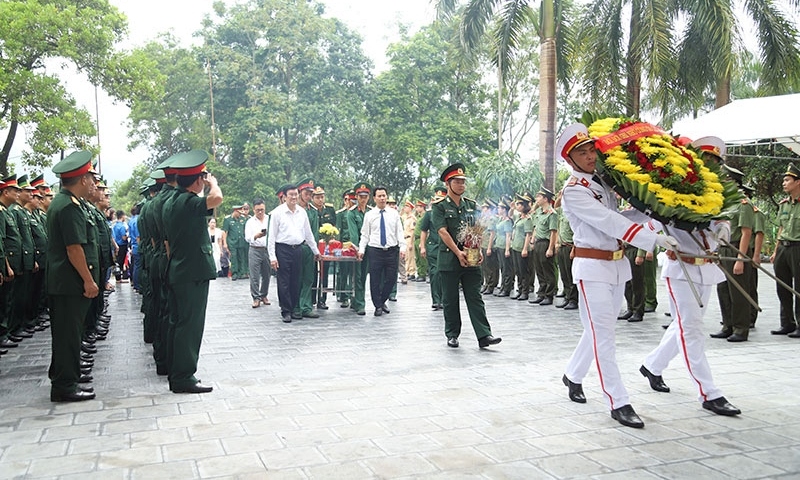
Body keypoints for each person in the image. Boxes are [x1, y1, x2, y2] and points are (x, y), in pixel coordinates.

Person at [558, 123, 677, 428]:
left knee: (601, 330)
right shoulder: (574, 192)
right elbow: (607, 222)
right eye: (581, 153)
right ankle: (618, 400)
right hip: (592, 268)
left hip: (615, 265)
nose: (589, 156)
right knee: (605, 336)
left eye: (590, 150)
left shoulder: (602, 183)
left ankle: (572, 375)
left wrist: (654, 216)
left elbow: (621, 217)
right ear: (570, 159)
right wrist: (649, 239)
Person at [639, 218, 742, 416]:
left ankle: (652, 365)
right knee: (691, 330)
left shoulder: (711, 192)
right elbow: (646, 226)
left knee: (684, 326)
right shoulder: (668, 199)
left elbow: (720, 218)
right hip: (680, 269)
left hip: (705, 268)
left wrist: (724, 228)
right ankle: (708, 393)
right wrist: (657, 238)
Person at [162, 149, 223, 393]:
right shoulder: (187, 202)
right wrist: (214, 183)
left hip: (181, 270)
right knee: (190, 325)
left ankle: (178, 373)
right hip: (191, 273)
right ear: (197, 180)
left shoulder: (172, 202)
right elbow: (216, 199)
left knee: (179, 323)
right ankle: (184, 377)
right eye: (202, 178)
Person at [46, 151, 100, 402]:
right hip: (70, 281)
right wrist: (88, 280)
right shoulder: (69, 206)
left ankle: (63, 376)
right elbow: (74, 248)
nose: (91, 182)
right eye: (89, 177)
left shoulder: (64, 202)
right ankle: (65, 386)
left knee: (66, 333)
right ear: (81, 179)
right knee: (69, 334)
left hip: (65, 281)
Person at [432, 163, 501, 349]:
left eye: (463, 182)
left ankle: (484, 335)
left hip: (470, 260)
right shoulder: (439, 207)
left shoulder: (471, 205)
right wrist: (458, 252)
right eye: (457, 181)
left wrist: (477, 250)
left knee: (475, 296)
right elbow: (443, 232)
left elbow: (476, 230)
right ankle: (452, 334)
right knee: (450, 299)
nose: (461, 185)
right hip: (449, 259)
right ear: (448, 184)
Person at [712, 164, 756, 342]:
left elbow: (746, 232)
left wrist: (740, 259)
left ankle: (740, 328)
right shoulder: (724, 203)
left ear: (733, 182)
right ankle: (727, 324)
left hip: (737, 248)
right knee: (723, 289)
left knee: (738, 291)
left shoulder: (743, 203)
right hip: (723, 249)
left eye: (725, 179)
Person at [268, 185, 320, 323]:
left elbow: (308, 234)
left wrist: (316, 251)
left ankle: (294, 308)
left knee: (296, 280)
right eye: (291, 194)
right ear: (284, 196)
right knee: (284, 281)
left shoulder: (302, 212)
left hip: (297, 249)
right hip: (282, 249)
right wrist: (272, 257)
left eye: (296, 194)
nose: (294, 197)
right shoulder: (277, 213)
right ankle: (286, 310)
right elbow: (271, 237)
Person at [358, 186, 406, 316]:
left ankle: (382, 300)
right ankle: (378, 306)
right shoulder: (369, 215)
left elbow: (399, 232)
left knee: (391, 279)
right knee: (375, 279)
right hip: (375, 251)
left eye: (384, 195)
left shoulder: (394, 214)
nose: (382, 198)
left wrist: (403, 247)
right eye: (379, 196)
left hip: (391, 250)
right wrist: (361, 249)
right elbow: (365, 234)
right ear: (374, 198)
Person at [771, 163, 800, 337]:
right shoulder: (784, 204)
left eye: (787, 180)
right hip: (783, 248)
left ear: (798, 182)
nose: (784, 183)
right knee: (782, 286)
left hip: (798, 248)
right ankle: (787, 322)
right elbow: (781, 229)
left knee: (799, 288)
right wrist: (775, 251)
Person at [419, 187, 447, 310]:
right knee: (435, 273)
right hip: (433, 247)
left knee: (444, 274)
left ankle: (445, 299)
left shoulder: (448, 212)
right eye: (436, 199)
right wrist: (422, 246)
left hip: (446, 247)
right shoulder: (429, 214)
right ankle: (436, 300)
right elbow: (424, 230)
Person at [347, 182, 372, 316]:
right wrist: (358, 249)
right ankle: (360, 304)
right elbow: (353, 233)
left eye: (365, 196)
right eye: (360, 196)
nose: (363, 199)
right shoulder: (351, 213)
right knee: (357, 276)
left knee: (364, 276)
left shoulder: (371, 211)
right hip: (359, 249)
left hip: (372, 248)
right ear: (356, 196)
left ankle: (356, 300)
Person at [529, 188, 558, 305]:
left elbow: (553, 232)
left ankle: (549, 295)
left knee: (547, 270)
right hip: (538, 243)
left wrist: (551, 248)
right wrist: (532, 240)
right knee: (539, 269)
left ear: (546, 199)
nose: (537, 199)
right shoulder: (539, 213)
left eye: (539, 197)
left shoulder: (552, 214)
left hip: (546, 243)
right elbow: (536, 227)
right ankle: (541, 293)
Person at [311, 185, 337, 309]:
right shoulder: (310, 210)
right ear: (312, 198)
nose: (320, 200)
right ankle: (311, 299)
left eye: (322, 197)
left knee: (324, 273)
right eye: (317, 197)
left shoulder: (330, 210)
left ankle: (322, 299)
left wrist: (331, 238)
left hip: (326, 247)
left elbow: (334, 226)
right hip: (313, 246)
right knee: (312, 273)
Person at [553, 192, 578, 310]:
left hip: (570, 246)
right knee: (564, 274)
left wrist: (574, 248)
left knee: (570, 274)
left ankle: (574, 299)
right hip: (562, 246)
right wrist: (560, 195)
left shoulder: (575, 213)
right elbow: (555, 206)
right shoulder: (563, 212)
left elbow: (578, 233)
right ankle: (568, 297)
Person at [245, 198, 271, 308]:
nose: (260, 212)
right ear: (253, 210)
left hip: (267, 249)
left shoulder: (270, 219)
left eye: (262, 209)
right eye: (257, 210)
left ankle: (263, 295)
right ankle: (256, 297)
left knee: (267, 274)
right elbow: (247, 238)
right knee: (254, 275)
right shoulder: (250, 222)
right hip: (254, 249)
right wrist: (256, 236)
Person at [510, 193, 533, 300]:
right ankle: (520, 289)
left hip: (522, 247)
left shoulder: (527, 219)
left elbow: (528, 234)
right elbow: (510, 214)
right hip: (515, 245)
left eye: (519, 204)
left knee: (524, 270)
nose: (517, 205)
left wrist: (525, 248)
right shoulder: (519, 217)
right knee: (518, 270)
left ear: (524, 206)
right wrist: (512, 207)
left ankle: (525, 291)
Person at [222, 205, 247, 280]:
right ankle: (234, 273)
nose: (240, 214)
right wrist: (225, 243)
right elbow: (225, 232)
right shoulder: (228, 219)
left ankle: (241, 273)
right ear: (235, 211)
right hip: (232, 242)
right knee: (234, 257)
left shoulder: (242, 219)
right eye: (239, 213)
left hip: (241, 241)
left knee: (241, 257)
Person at [111, 210, 129, 282]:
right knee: (121, 262)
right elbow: (123, 237)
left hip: (116, 245)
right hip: (122, 245)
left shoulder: (115, 226)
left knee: (117, 261)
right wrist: (128, 235)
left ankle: (118, 277)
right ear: (122, 216)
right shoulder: (121, 226)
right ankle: (119, 278)